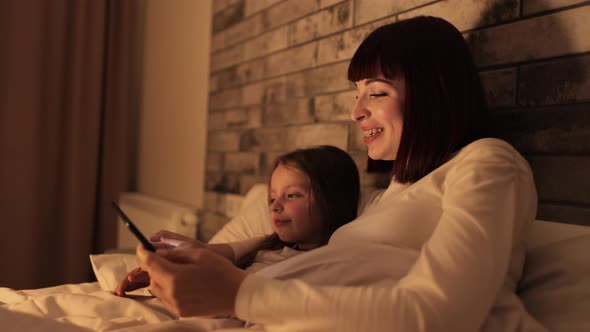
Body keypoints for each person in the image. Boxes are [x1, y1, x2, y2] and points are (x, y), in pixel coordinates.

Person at [135, 16, 548, 331]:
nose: (356, 111)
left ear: (431, 94)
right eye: (357, 94)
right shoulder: (394, 192)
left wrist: (239, 293)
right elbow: (316, 246)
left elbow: (441, 312)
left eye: (377, 92)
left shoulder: (488, 163)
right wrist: (220, 257)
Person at [115, 145, 360, 296]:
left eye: (292, 195)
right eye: (272, 197)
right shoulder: (266, 244)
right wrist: (167, 265)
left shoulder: (326, 264)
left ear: (332, 201)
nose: (275, 206)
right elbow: (208, 254)